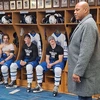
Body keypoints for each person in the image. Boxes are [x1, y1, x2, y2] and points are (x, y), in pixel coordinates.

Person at [68, 1, 100, 100]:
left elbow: (86, 51)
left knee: (84, 97)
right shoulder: (84, 23)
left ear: (86, 10)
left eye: (77, 10)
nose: (74, 12)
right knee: (83, 96)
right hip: (83, 71)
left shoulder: (88, 25)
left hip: (85, 72)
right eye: (74, 10)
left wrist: (78, 72)